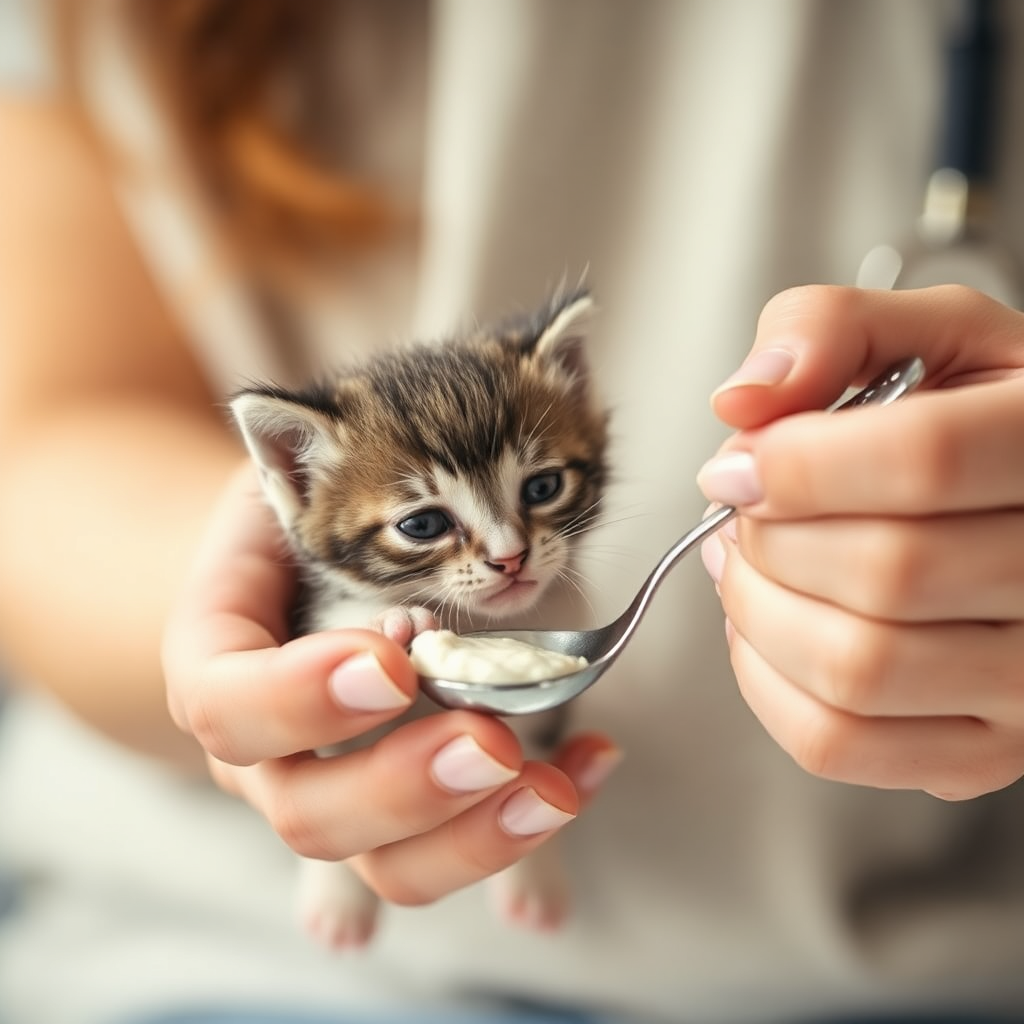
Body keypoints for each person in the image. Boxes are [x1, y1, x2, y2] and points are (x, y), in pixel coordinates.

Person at [2, 2, 1024, 1023]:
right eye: (425, 526)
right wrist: (246, 668)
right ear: (293, 478)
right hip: (222, 931)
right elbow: (45, 439)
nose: (504, 556)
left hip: (912, 963)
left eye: (541, 492)